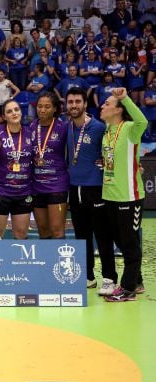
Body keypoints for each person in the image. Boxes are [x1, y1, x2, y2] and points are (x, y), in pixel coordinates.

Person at [65, 87, 117, 291]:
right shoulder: (66, 127)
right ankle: (87, 276)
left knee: (102, 235)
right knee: (81, 235)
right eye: (71, 102)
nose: (74, 105)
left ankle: (109, 277)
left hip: (96, 188)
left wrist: (106, 162)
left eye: (78, 101)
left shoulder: (98, 127)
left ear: (85, 104)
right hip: (74, 188)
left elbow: (111, 150)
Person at [99, 87, 148, 301]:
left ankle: (127, 289)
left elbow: (143, 122)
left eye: (107, 104)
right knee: (120, 241)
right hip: (110, 195)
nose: (103, 106)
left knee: (129, 243)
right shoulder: (107, 132)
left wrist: (125, 98)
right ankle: (136, 281)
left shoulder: (129, 128)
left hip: (129, 196)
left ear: (118, 110)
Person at [0, 99, 34, 239]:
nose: (14, 113)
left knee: (21, 234)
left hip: (24, 191)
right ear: (4, 117)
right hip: (1, 192)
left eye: (16, 109)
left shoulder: (30, 132)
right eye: (9, 111)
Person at [29, 92, 69, 239]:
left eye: (47, 107)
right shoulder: (31, 127)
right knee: (43, 231)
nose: (42, 110)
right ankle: (46, 262)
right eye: (39, 106)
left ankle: (60, 261)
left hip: (56, 185)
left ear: (54, 109)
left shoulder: (63, 127)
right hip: (37, 186)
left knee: (57, 230)